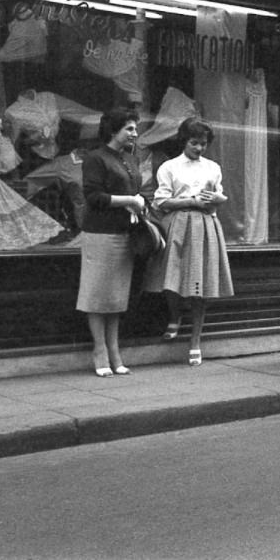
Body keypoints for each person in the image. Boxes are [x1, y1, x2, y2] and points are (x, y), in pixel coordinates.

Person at [145, 117, 234, 366]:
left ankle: (195, 340)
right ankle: (175, 315)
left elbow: (219, 195)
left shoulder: (212, 167)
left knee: (200, 283)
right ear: (184, 141)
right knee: (171, 277)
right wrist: (192, 202)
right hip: (178, 224)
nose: (199, 148)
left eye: (203, 144)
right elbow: (160, 201)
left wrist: (218, 198)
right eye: (194, 143)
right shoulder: (170, 167)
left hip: (205, 226)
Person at [77, 107, 146, 377]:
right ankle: (100, 350)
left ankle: (115, 350)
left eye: (134, 128)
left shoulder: (130, 159)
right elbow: (94, 197)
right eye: (129, 128)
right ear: (113, 130)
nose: (135, 133)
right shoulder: (95, 158)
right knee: (97, 294)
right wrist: (130, 201)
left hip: (125, 233)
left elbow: (135, 192)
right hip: (100, 234)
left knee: (116, 296)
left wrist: (140, 203)